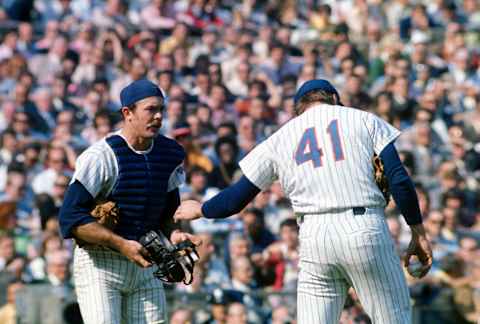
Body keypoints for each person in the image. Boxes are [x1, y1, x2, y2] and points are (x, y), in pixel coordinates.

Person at [174, 79, 433, 323]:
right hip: (363, 227)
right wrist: (418, 231)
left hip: (313, 237)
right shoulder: (363, 119)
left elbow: (235, 200)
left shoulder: (281, 137)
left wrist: (201, 208)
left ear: (298, 109)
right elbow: (399, 179)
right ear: (334, 99)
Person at [59, 79, 200, 324]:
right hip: (101, 263)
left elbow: (168, 210)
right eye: (150, 109)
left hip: (147, 262)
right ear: (128, 113)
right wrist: (120, 243)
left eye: (161, 110)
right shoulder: (101, 156)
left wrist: (175, 233)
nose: (158, 116)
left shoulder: (169, 153)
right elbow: (69, 219)